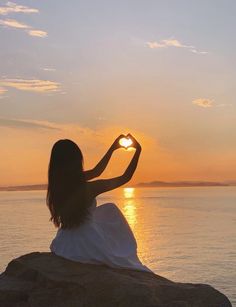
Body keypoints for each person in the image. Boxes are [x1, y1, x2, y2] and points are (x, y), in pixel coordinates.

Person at [47, 134, 151, 272]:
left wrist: (113, 148)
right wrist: (138, 150)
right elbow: (124, 178)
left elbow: (97, 171)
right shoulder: (88, 188)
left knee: (107, 209)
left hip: (65, 243)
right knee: (112, 211)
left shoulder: (58, 184)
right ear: (77, 161)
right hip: (88, 243)